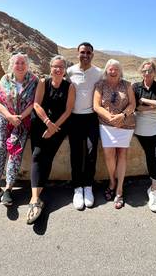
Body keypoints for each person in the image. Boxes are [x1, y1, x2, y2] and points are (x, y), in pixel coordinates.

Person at [0, 53, 38, 212]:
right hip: (4, 119)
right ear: (12, 65)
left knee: (15, 153)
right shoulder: (5, 79)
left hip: (22, 121)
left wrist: (19, 118)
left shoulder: (33, 81)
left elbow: (34, 103)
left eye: (23, 63)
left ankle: (8, 189)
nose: (20, 65)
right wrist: (9, 116)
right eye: (17, 63)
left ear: (27, 65)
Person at [26, 55, 75, 224]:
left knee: (48, 157)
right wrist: (48, 123)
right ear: (50, 67)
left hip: (60, 126)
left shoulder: (70, 87)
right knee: (37, 156)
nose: (58, 69)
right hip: (40, 123)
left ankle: (35, 200)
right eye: (55, 66)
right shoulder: (43, 82)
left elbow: (68, 111)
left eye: (61, 66)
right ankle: (35, 199)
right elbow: (36, 104)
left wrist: (54, 128)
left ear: (65, 70)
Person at [93, 59, 136, 209]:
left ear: (120, 71)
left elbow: (132, 104)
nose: (113, 71)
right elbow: (96, 106)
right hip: (106, 124)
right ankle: (112, 181)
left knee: (122, 154)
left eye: (116, 69)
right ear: (106, 70)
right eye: (110, 69)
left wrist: (122, 116)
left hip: (126, 124)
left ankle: (119, 189)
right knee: (109, 154)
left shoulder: (127, 85)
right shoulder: (100, 85)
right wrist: (110, 117)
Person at [66, 42, 103, 210]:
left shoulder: (98, 73)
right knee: (75, 153)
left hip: (91, 118)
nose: (85, 55)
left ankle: (88, 187)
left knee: (90, 152)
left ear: (92, 55)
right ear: (78, 53)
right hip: (74, 118)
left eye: (89, 52)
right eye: (83, 52)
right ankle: (77, 188)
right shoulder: (70, 72)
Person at [133, 59, 156, 213]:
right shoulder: (136, 86)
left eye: (150, 71)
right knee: (151, 156)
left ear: (155, 72)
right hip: (141, 125)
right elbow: (135, 106)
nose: (147, 73)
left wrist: (144, 101)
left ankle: (154, 191)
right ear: (141, 72)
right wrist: (153, 104)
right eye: (145, 70)